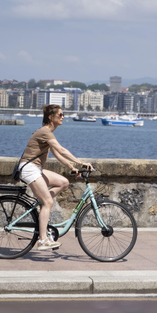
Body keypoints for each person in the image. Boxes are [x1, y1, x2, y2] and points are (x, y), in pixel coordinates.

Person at [18, 104, 92, 250]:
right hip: (29, 169)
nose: (63, 117)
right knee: (48, 203)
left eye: (63, 114)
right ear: (51, 117)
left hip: (36, 169)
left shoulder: (48, 133)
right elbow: (62, 150)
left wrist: (72, 167)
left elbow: (57, 155)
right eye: (60, 115)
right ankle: (42, 240)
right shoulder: (45, 132)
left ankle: (43, 203)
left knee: (63, 182)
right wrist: (82, 163)